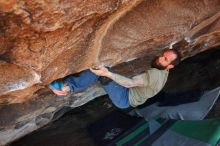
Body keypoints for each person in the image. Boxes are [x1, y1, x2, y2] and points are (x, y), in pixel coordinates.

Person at [49, 49, 181, 109]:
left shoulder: (155, 75)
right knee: (104, 72)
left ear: (170, 66)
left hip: (125, 97)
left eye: (164, 59)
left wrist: (107, 73)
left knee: (101, 71)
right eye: (162, 55)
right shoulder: (165, 71)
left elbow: (130, 83)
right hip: (131, 98)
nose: (159, 58)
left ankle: (66, 88)